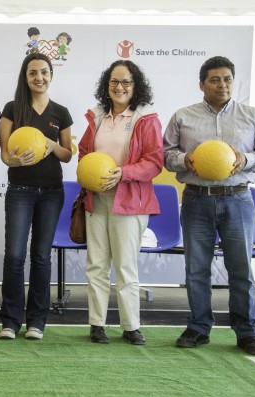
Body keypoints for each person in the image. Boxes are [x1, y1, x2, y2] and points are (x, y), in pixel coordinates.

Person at [164, 56, 255, 355]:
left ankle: (247, 332)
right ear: (202, 84)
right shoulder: (183, 116)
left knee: (241, 269)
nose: (222, 85)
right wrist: (186, 159)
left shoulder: (252, 115)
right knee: (196, 269)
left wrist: (246, 159)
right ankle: (198, 328)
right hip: (196, 199)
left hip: (239, 199)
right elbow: (167, 155)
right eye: (215, 80)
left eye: (228, 79)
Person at [79, 60, 163, 345]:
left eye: (126, 82)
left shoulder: (146, 118)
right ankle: (97, 324)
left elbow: (154, 162)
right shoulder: (97, 116)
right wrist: (88, 173)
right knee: (96, 266)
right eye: (114, 81)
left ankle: (131, 326)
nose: (119, 87)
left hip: (130, 201)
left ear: (135, 86)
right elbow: (83, 152)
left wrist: (123, 174)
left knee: (126, 267)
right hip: (96, 199)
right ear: (107, 85)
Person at [0, 53, 73, 340]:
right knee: (15, 256)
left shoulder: (61, 112)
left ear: (51, 75)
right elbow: (5, 154)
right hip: (20, 190)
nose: (38, 77)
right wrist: (14, 162)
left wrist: (51, 145)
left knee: (41, 256)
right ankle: (10, 321)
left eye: (43, 72)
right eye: (33, 73)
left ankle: (36, 322)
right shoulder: (12, 109)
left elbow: (67, 155)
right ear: (25, 77)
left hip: (52, 193)